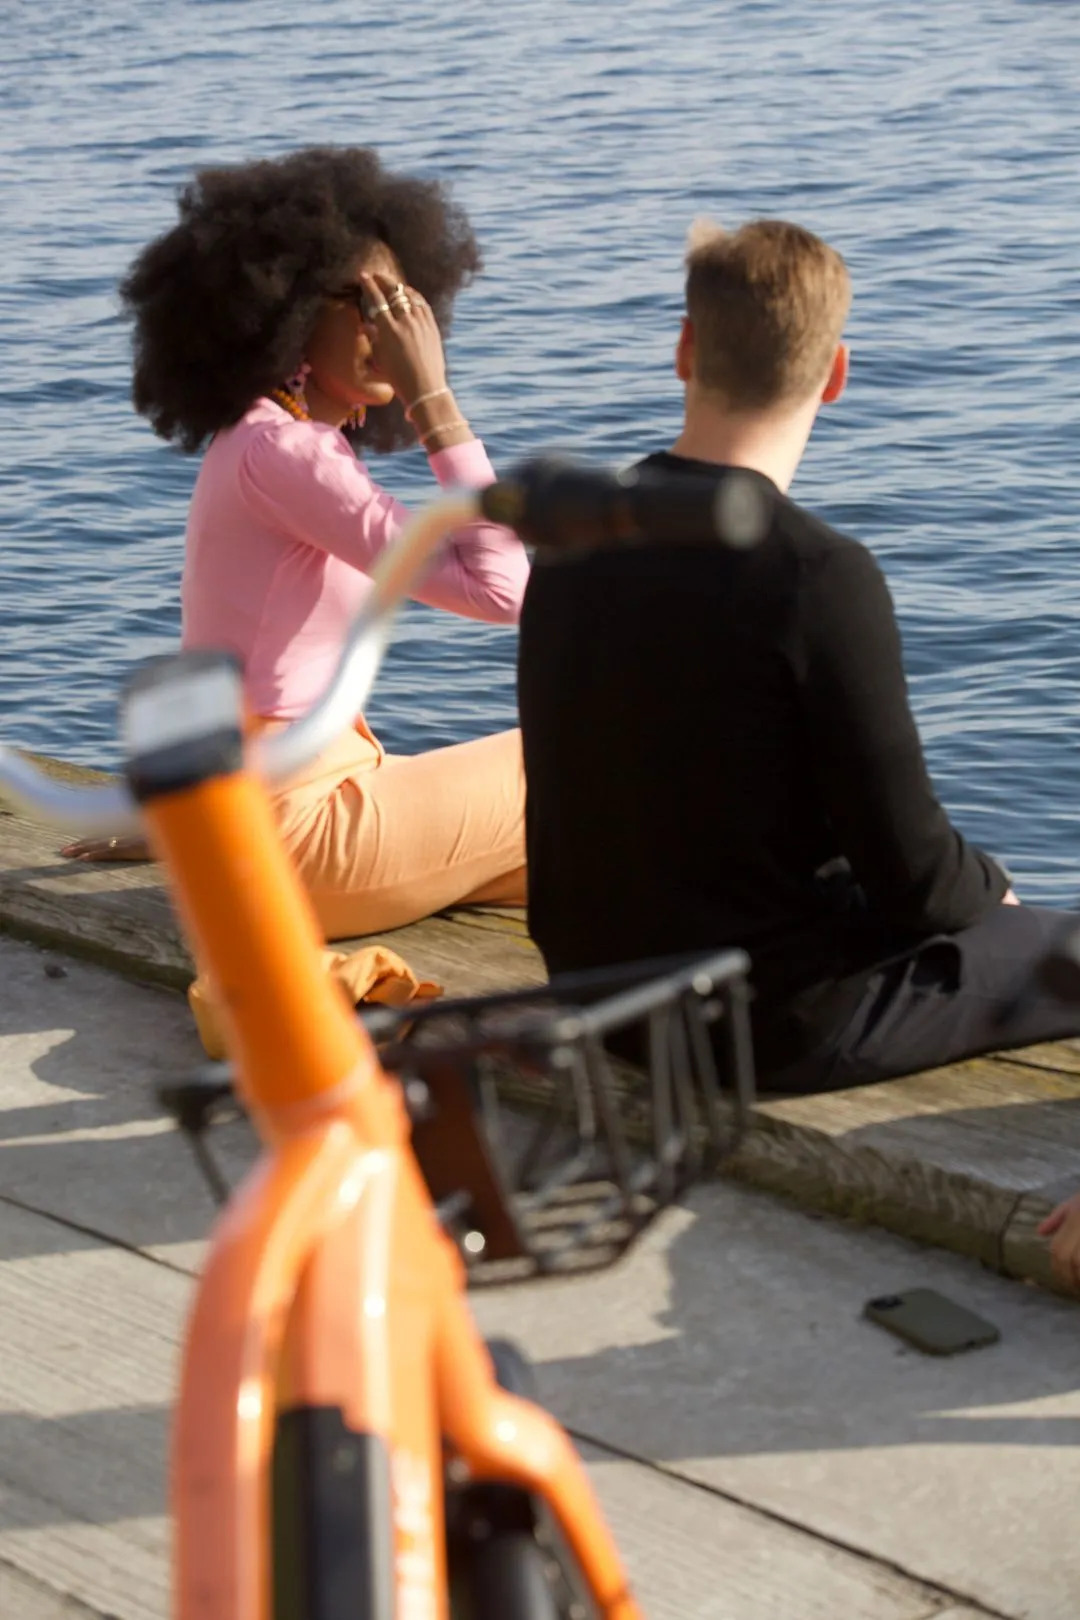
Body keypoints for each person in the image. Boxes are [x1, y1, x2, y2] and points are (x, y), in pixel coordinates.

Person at [517, 218, 1080, 1094]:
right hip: (765, 1026)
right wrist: (990, 895)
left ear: (684, 348)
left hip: (600, 995)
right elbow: (920, 883)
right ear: (837, 375)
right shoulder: (817, 574)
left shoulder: (575, 532)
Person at [63, 147, 528, 937]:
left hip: (257, 830)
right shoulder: (284, 454)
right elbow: (503, 591)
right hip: (296, 845)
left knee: (590, 849)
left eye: (405, 298)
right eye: (368, 301)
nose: (398, 322)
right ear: (289, 309)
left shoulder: (263, 444)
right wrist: (433, 401)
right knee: (582, 738)